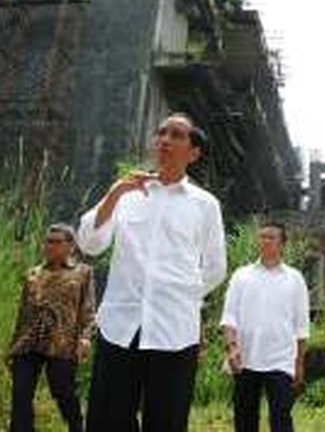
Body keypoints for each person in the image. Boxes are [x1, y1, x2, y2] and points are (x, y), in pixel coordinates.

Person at [77, 113, 227, 432]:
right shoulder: (126, 194)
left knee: (166, 421)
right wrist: (115, 193)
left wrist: (182, 297)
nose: (165, 140)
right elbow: (89, 243)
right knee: (107, 420)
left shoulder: (205, 205)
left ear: (193, 152)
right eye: (161, 133)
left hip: (174, 330)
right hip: (120, 326)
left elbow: (215, 268)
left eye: (176, 135)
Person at [221, 221, 310, 432]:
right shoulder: (241, 276)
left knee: (281, 417)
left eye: (271, 237)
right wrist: (232, 349)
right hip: (246, 359)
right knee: (245, 417)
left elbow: (301, 325)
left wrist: (299, 362)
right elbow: (229, 317)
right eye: (262, 236)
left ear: (282, 244)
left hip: (281, 361)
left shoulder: (294, 279)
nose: (265, 241)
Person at [8, 223, 95, 432]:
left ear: (70, 246)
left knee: (63, 391)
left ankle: (76, 424)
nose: (51, 246)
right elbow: (23, 313)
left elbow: (88, 309)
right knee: (21, 394)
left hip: (62, 343)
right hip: (28, 343)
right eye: (48, 241)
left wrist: (86, 337)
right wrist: (12, 347)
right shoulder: (34, 274)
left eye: (57, 242)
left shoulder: (83, 273)